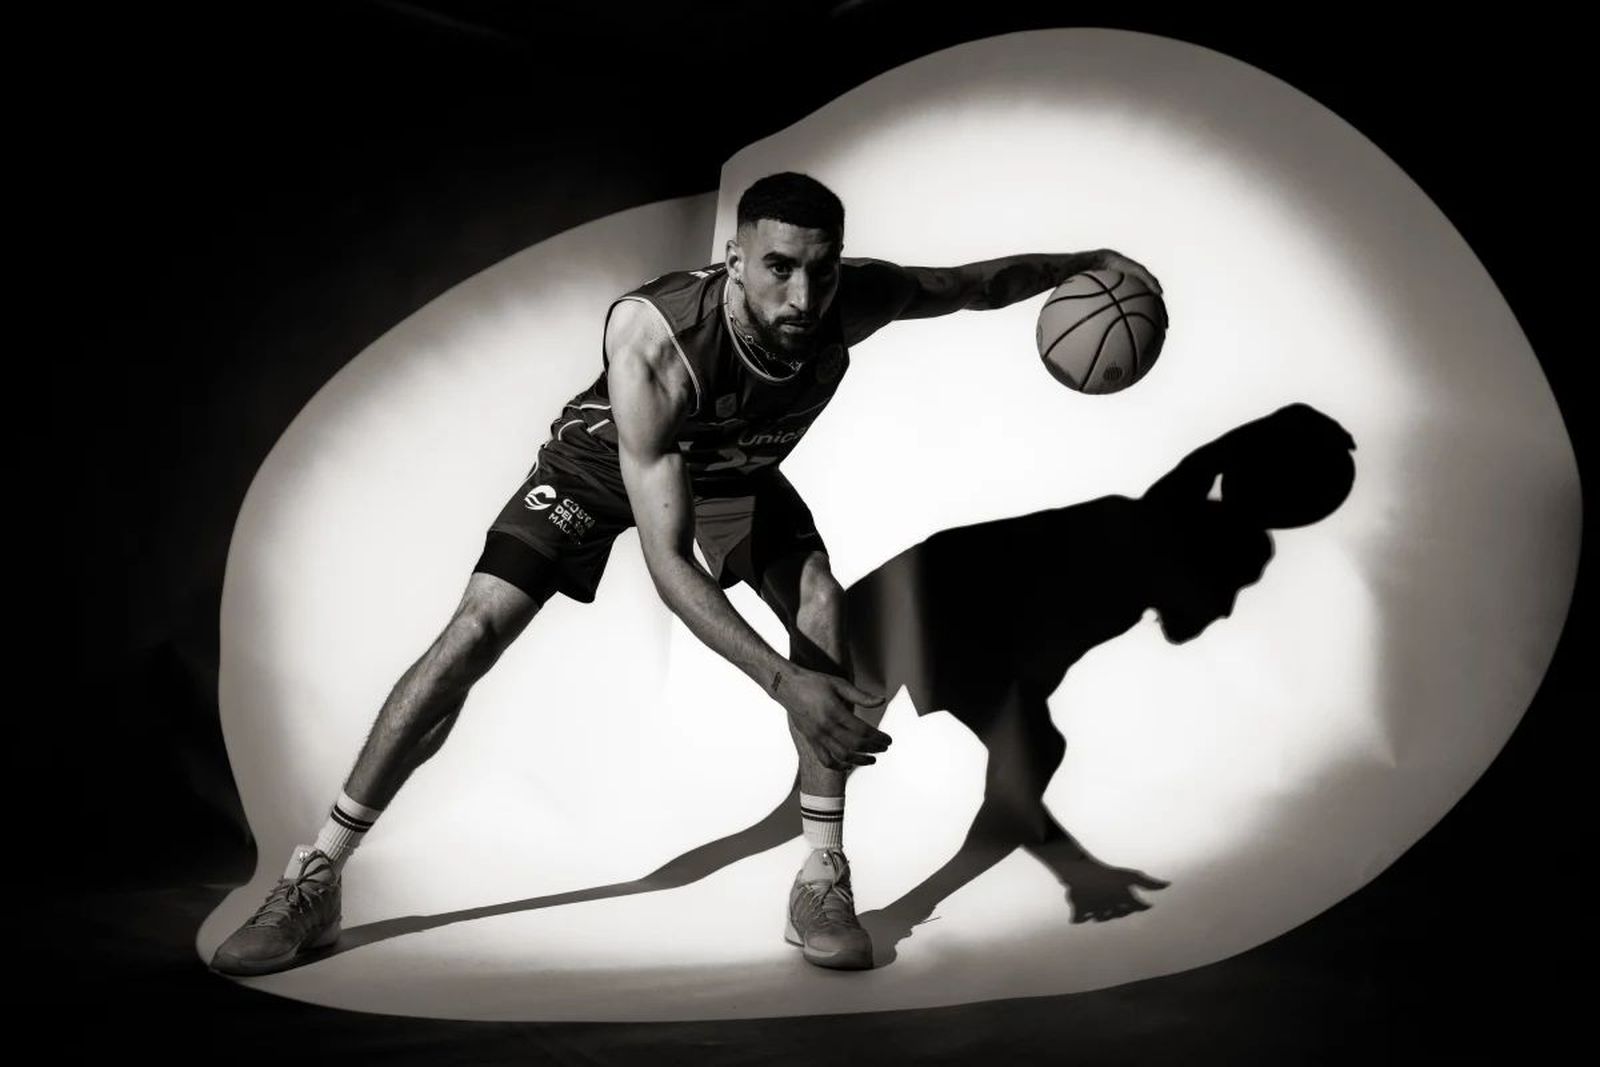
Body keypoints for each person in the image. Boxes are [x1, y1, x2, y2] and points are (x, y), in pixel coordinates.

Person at [209, 171, 1162, 976]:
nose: (801, 298)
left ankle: (820, 873)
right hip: (607, 464)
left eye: (819, 273)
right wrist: (783, 681)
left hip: (733, 475)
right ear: (737, 260)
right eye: (778, 269)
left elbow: (969, 283)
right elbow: (667, 563)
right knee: (471, 637)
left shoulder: (849, 302)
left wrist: (1078, 266)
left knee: (822, 599)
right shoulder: (655, 341)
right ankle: (318, 876)